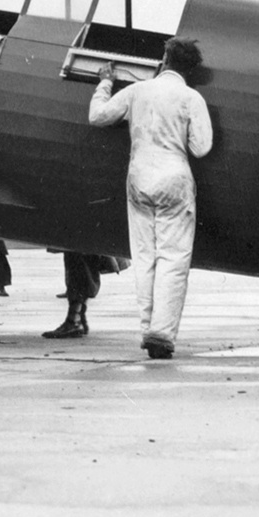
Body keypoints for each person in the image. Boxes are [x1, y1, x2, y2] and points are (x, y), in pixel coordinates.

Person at [88, 39, 213, 359]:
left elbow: (98, 116)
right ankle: (162, 333)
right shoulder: (191, 97)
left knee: (144, 258)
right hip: (175, 180)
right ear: (191, 69)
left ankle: (147, 328)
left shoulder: (137, 91)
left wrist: (104, 82)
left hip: (139, 178)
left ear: (164, 59)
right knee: (174, 260)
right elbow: (200, 148)